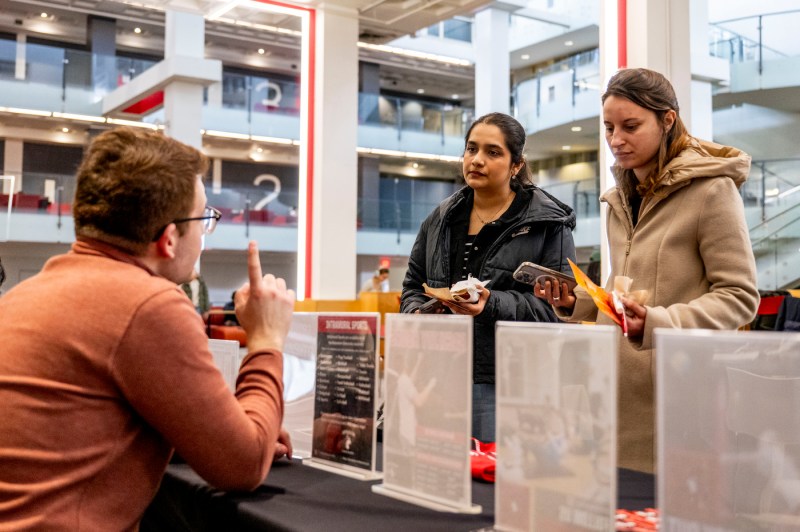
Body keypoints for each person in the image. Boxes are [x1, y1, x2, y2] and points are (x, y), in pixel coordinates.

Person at [0, 127, 295, 530]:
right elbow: (243, 466)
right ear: (169, 239)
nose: (206, 232)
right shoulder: (149, 304)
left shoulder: (26, 294)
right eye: (204, 218)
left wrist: (217, 431)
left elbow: (82, 429)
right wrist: (265, 339)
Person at [535, 68, 759, 474]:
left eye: (631, 126)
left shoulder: (712, 190)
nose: (616, 139)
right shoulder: (620, 198)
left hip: (680, 400)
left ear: (667, 119)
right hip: (613, 395)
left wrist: (657, 323)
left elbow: (740, 297)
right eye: (608, 127)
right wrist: (580, 301)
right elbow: (626, 289)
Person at [401, 112, 577, 443]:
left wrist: (491, 304)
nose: (477, 160)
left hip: (506, 382)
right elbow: (412, 287)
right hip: (437, 377)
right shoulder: (439, 219)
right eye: (471, 149)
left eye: (493, 152)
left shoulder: (549, 223)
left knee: (489, 486)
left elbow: (557, 310)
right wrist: (420, 313)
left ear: (516, 165)